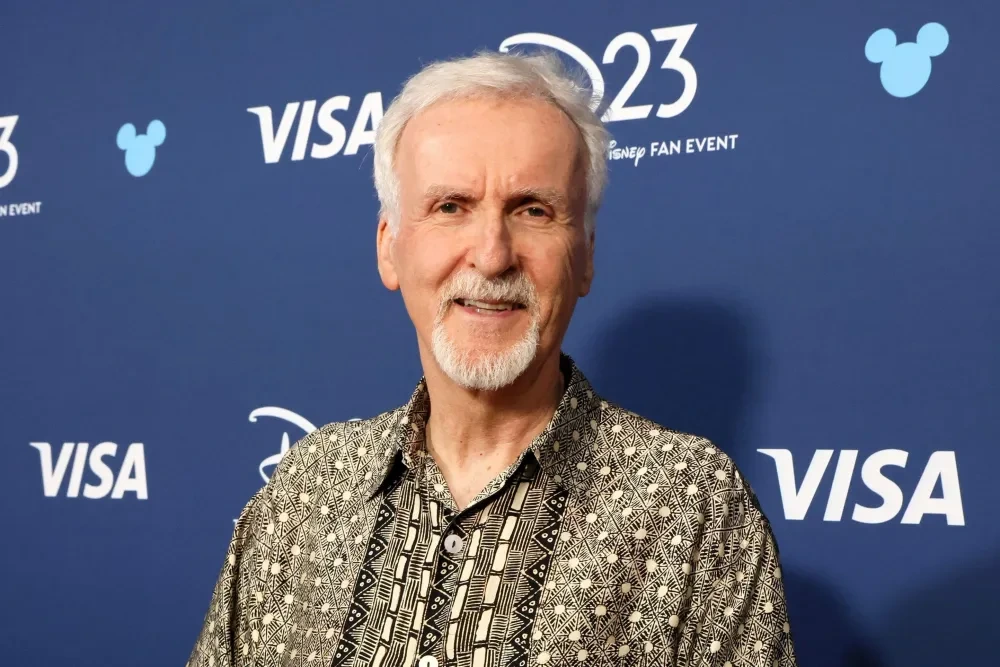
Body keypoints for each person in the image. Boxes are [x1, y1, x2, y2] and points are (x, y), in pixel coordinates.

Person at [187, 50, 797, 667]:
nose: (492, 255)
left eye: (533, 210)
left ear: (586, 256)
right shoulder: (304, 489)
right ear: (389, 249)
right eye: (450, 207)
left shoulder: (693, 508)